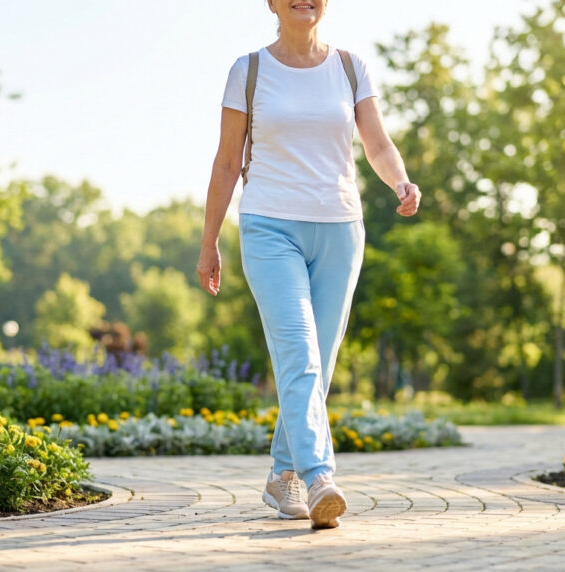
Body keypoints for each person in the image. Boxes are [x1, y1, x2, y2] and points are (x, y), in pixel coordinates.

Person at [196, 0, 420, 529]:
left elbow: (378, 142)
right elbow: (228, 162)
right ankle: (320, 477)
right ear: (271, 3)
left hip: (341, 229)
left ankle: (281, 475)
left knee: (319, 364)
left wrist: (401, 181)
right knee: (299, 353)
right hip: (270, 226)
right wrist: (209, 243)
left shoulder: (349, 66)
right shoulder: (248, 70)